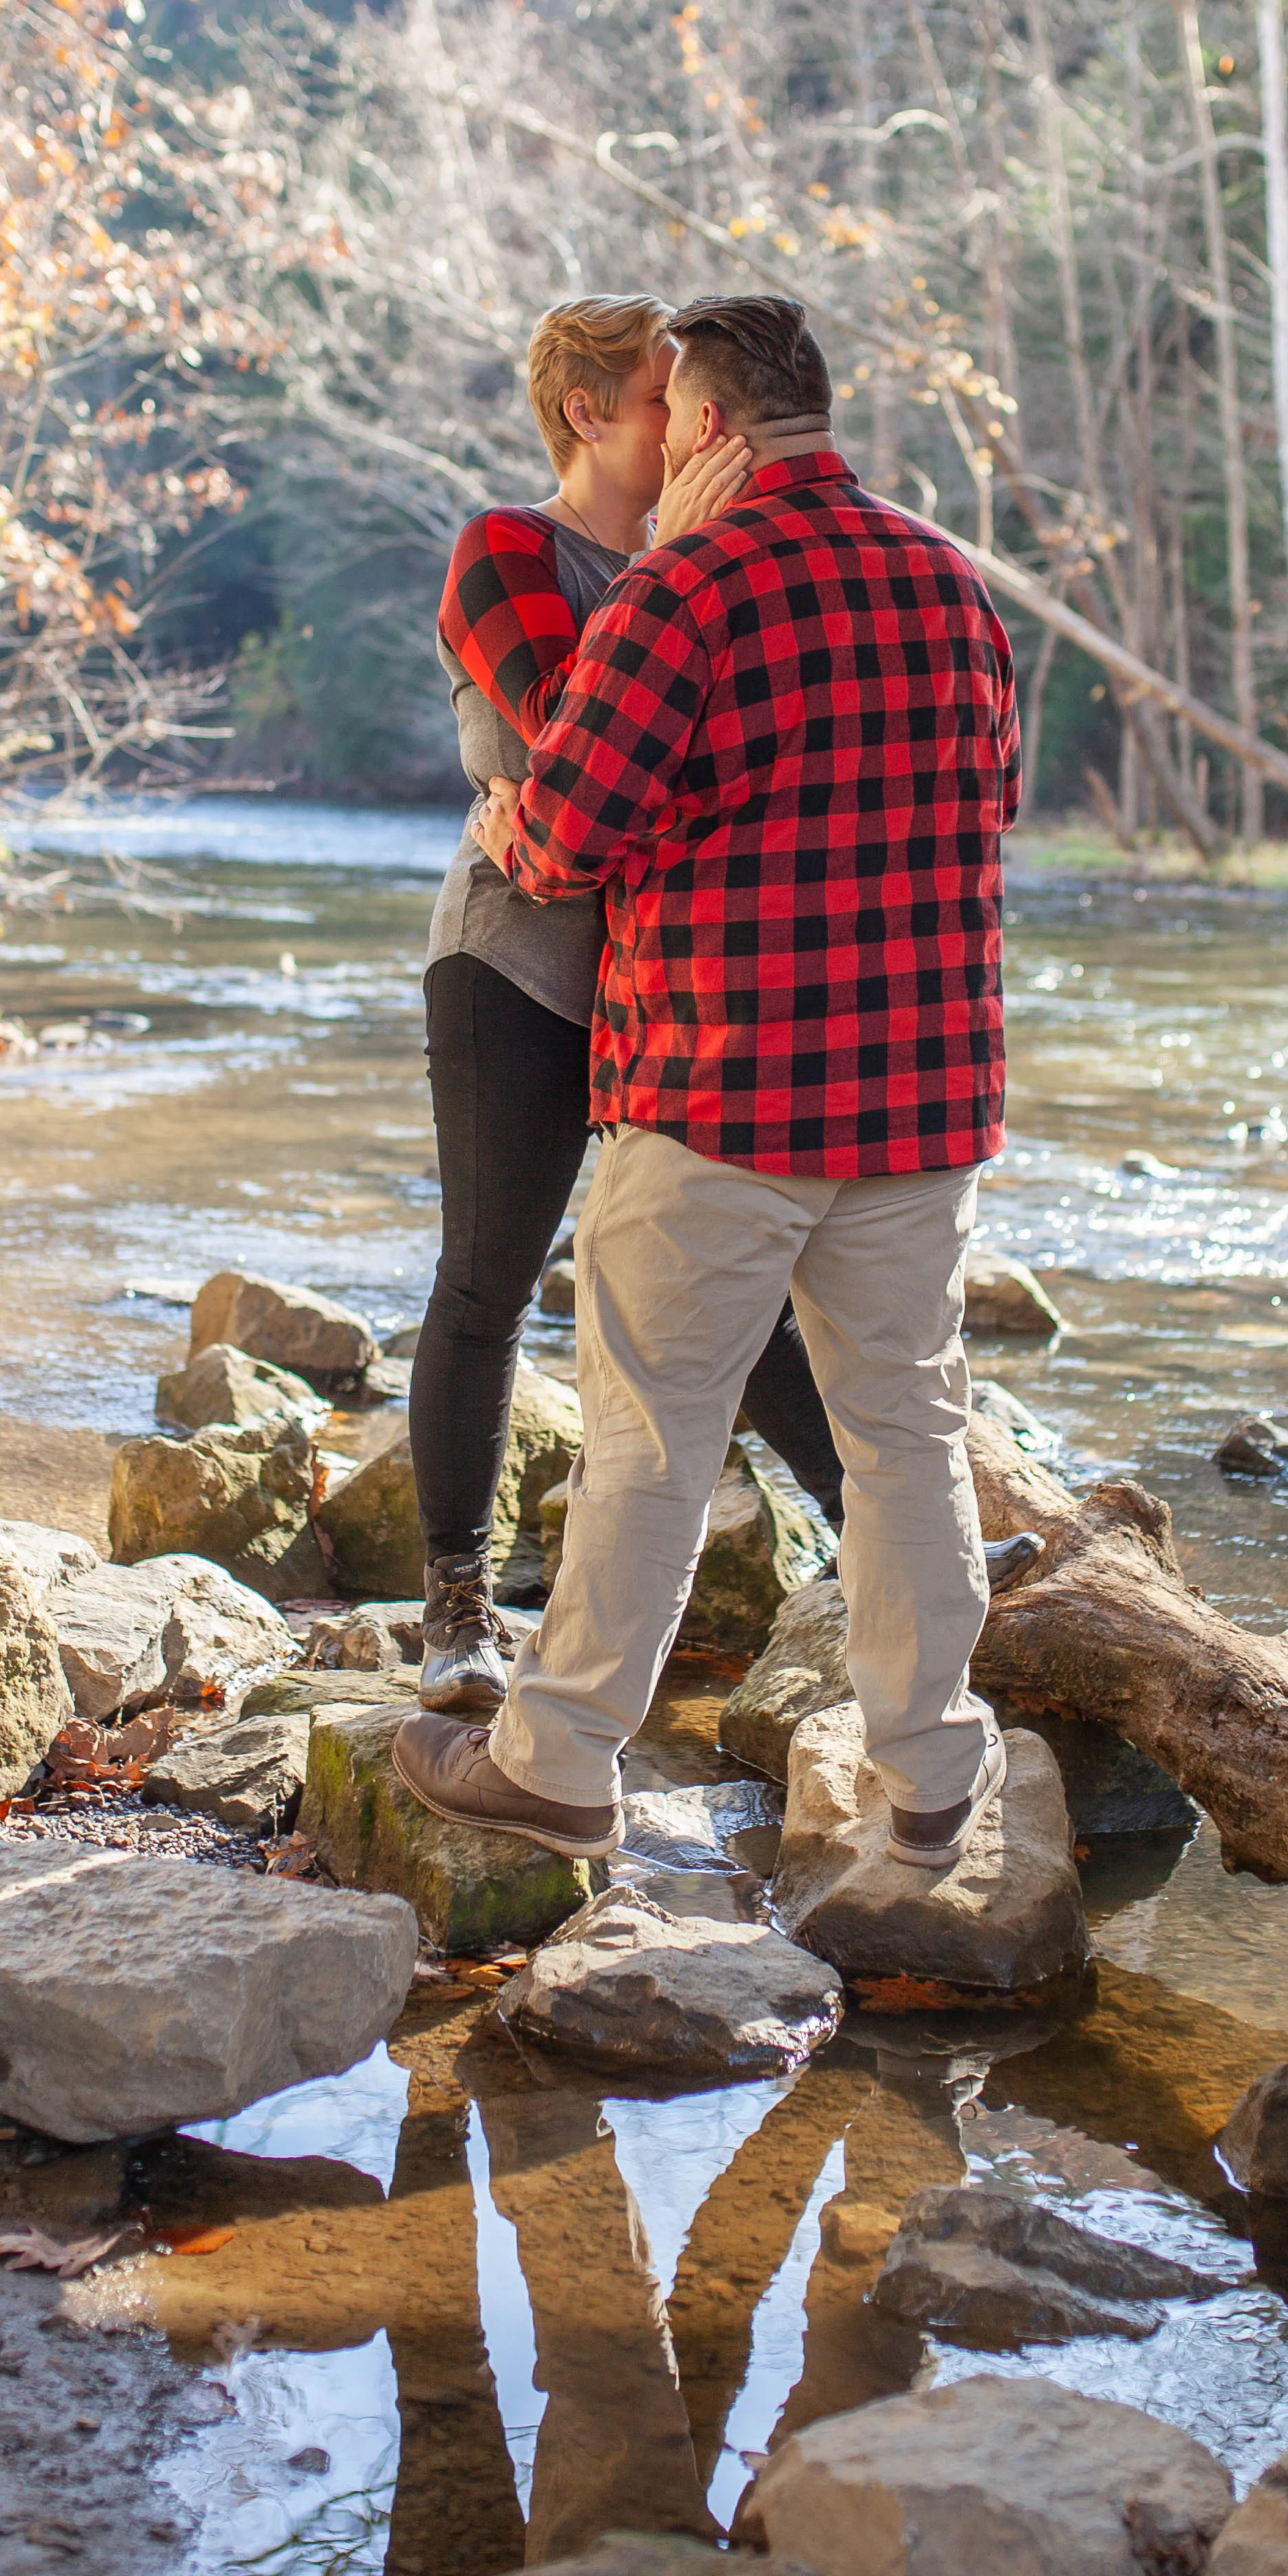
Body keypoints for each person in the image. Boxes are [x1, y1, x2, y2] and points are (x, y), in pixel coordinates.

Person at [394, 288, 1023, 1869]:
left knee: (650, 1444)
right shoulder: (953, 583)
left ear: (710, 426)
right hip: (919, 1099)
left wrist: (517, 835)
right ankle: (935, 1773)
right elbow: (991, 794)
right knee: (905, 1435)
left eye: (677, 412)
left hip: (724, 1087)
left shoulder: (690, 589)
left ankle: (559, 1762)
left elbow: (570, 826)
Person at [410, 293, 849, 1708]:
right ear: (591, 413)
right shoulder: (507, 550)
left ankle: (881, 1533)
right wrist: (678, 559)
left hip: (674, 975)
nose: (696, 423)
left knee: (748, 1277)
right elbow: (571, 740)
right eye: (668, 398)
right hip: (520, 961)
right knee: (489, 1278)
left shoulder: (708, 562)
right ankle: (456, 1616)